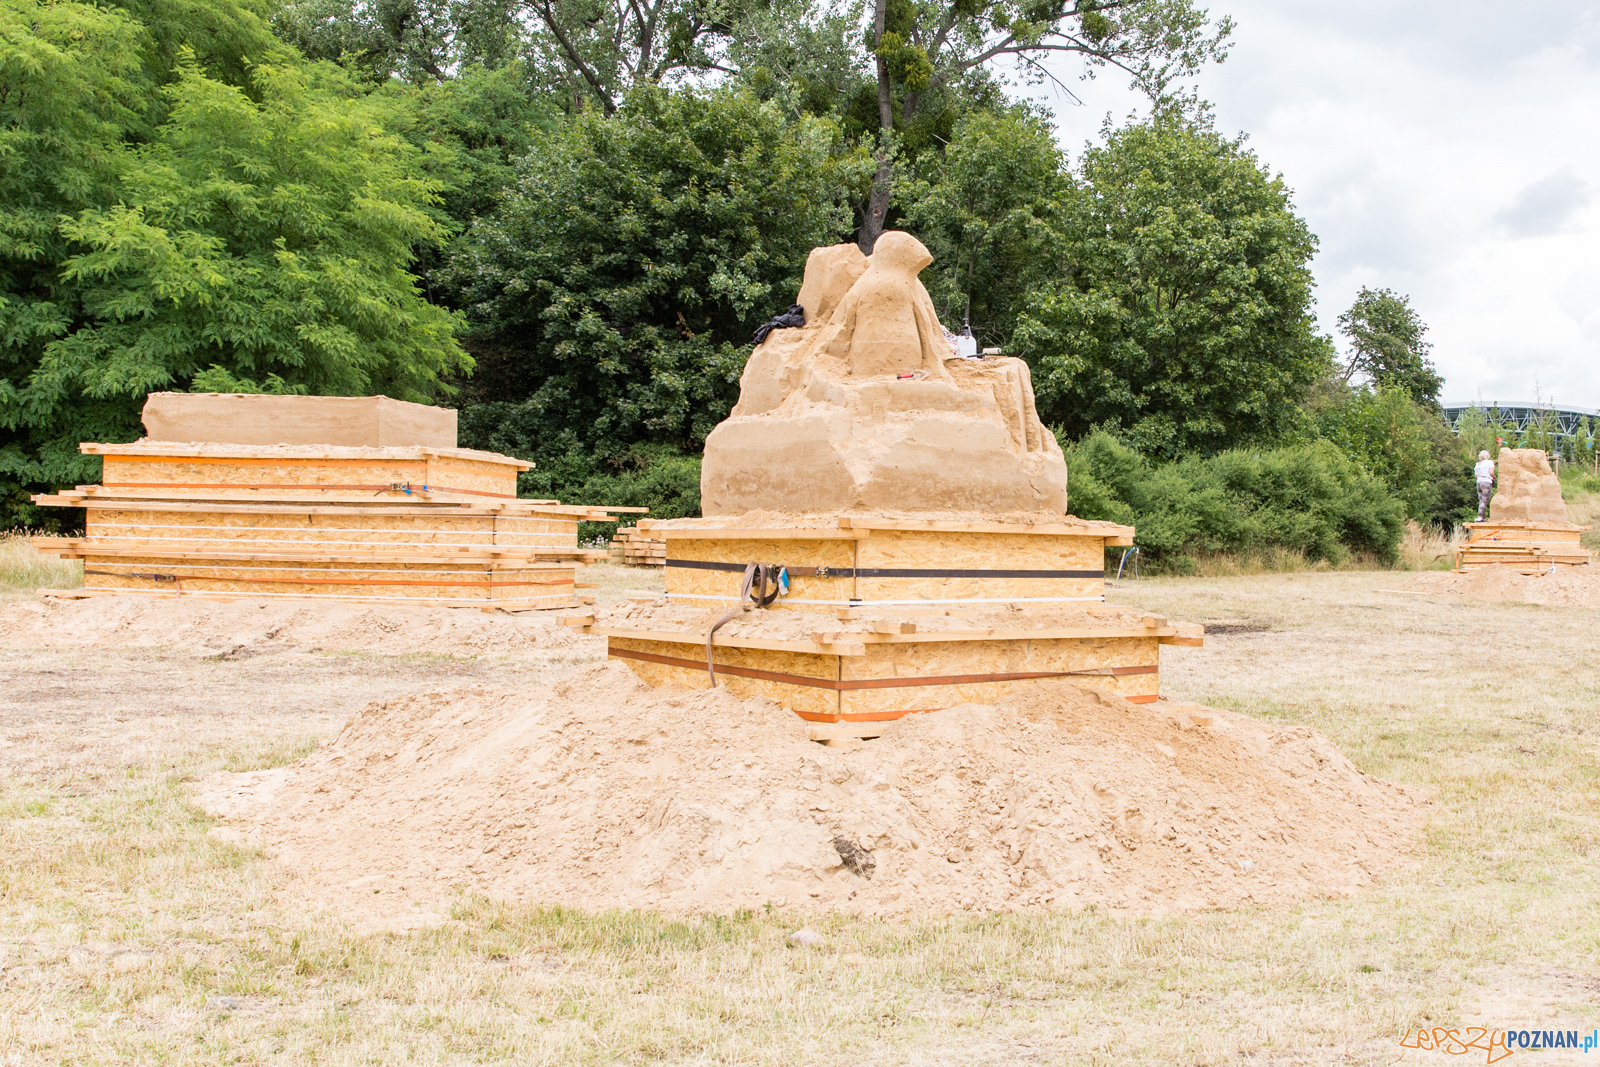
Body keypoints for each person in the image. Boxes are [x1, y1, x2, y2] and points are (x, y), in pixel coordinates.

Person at [1474, 449, 1495, 521]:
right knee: (1485, 500)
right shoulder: (1489, 462)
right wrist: (1494, 477)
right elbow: (1491, 472)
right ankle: (1480, 516)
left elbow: (1476, 475)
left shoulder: (1477, 464)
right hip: (1486, 481)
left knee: (1481, 500)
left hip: (1479, 482)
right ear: (1487, 456)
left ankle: (1482, 517)